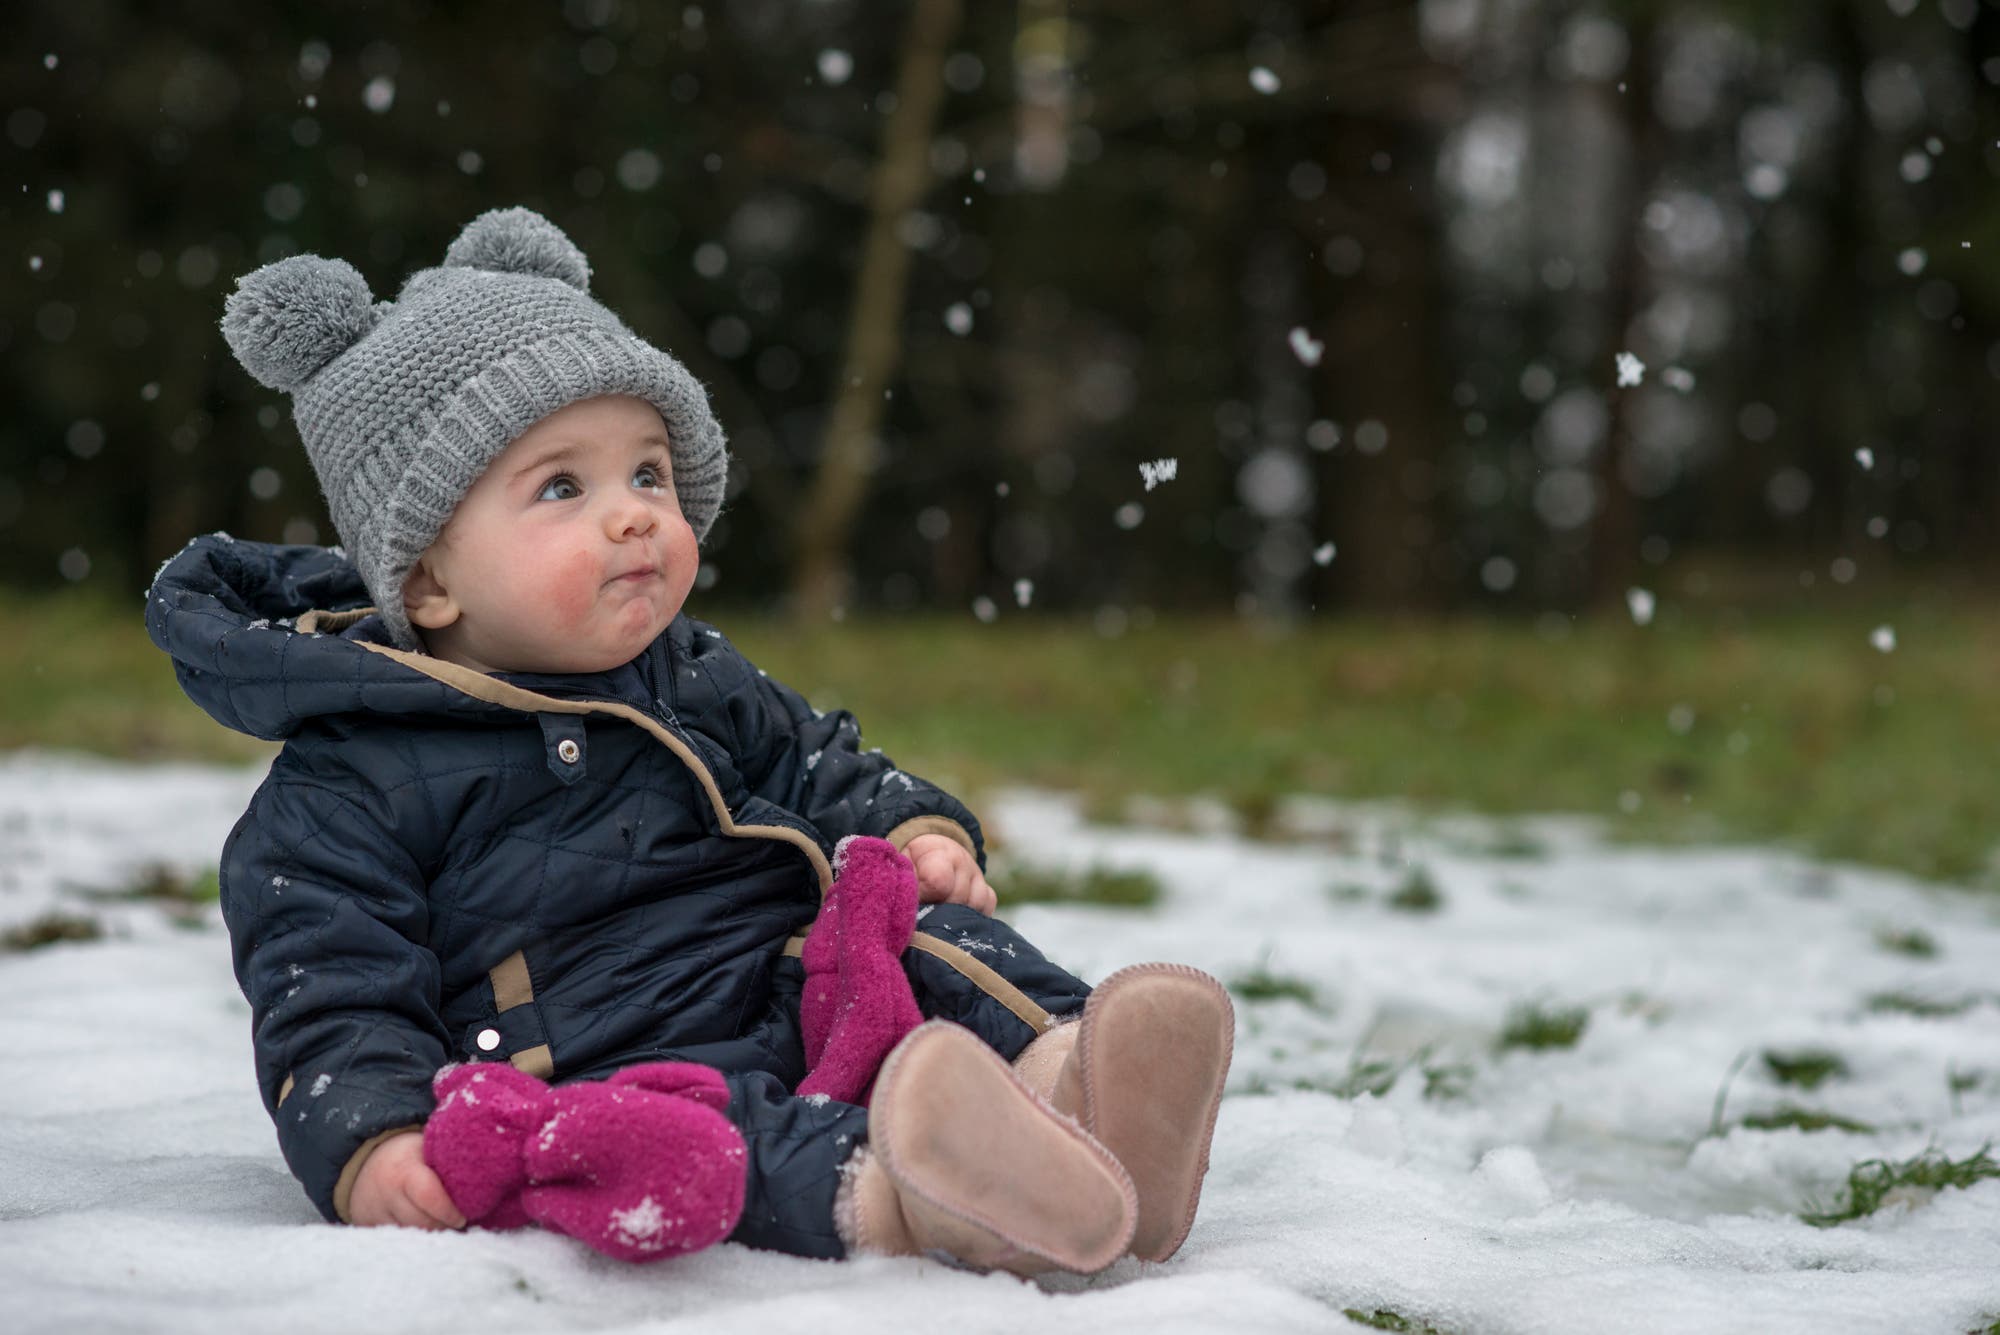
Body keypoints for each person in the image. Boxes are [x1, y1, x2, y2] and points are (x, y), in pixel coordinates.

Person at [147, 206, 1234, 1275]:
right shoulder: (346, 782)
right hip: (605, 1064)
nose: (632, 515)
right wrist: (370, 1140)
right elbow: (328, 992)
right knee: (697, 1146)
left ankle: (1077, 1086)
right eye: (563, 486)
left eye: (649, 474)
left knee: (930, 944)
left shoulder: (691, 672)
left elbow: (814, 759)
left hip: (793, 987)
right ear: (426, 578)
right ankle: (922, 1193)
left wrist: (911, 824)